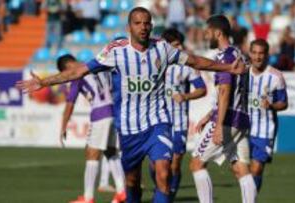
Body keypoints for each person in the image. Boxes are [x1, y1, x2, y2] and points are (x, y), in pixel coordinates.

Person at [16, 7, 246, 203]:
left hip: (158, 122)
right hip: (129, 129)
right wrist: (43, 81)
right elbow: (79, 71)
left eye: (147, 23)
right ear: (129, 27)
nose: (143, 27)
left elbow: (195, 61)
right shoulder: (115, 52)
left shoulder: (163, 48)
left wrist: (228, 68)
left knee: (163, 174)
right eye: (138, 23)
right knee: (132, 181)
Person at [189, 15, 256, 203]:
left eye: (208, 32)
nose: (205, 35)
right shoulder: (239, 54)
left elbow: (225, 91)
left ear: (218, 33)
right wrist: (208, 115)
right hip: (242, 119)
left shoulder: (225, 57)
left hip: (227, 120)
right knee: (241, 169)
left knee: (196, 164)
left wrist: (218, 124)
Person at [57, 54, 125, 203]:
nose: (67, 76)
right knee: (111, 151)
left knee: (91, 153)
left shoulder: (77, 74)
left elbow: (70, 102)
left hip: (100, 113)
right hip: (113, 111)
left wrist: (63, 126)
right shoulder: (96, 64)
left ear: (68, 67)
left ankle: (88, 198)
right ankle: (122, 192)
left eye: (64, 73)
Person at [162, 28, 207, 200]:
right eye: (175, 45)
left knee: (175, 164)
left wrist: (185, 96)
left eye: (180, 44)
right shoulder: (155, 64)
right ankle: (163, 189)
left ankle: (169, 196)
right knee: (156, 165)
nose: (179, 47)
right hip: (158, 120)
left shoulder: (187, 66)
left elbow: (202, 89)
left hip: (179, 122)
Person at [247, 39, 288, 192]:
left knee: (256, 169)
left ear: (267, 55)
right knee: (243, 171)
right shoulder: (242, 72)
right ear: (250, 54)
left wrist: (271, 105)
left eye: (261, 54)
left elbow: (283, 103)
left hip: (264, 130)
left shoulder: (276, 76)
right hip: (242, 129)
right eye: (255, 53)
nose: (258, 57)